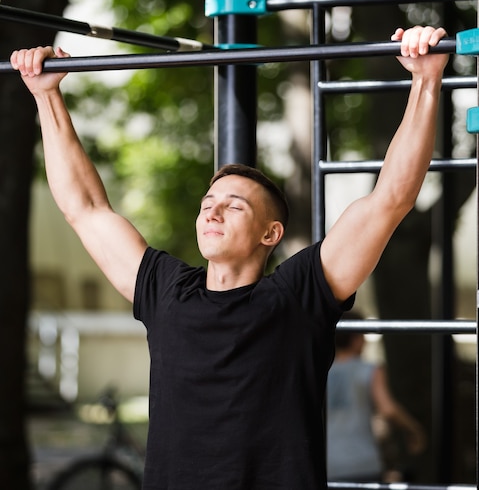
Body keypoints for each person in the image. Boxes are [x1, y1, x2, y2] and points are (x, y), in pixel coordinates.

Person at [11, 25, 448, 490]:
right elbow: (86, 208)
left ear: (270, 233)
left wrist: (425, 80)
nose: (212, 211)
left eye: (234, 205)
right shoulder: (166, 289)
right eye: (207, 203)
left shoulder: (300, 296)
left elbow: (389, 201)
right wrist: (46, 96)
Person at [327, 310, 426, 483]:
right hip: (361, 461)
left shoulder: (320, 371)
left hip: (325, 463)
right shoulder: (370, 370)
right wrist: (413, 429)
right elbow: (388, 409)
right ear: (356, 338)